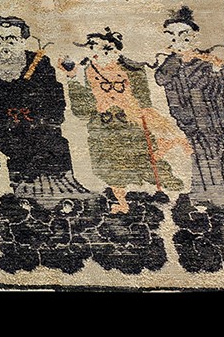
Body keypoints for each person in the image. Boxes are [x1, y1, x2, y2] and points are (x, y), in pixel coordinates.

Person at [64, 27, 185, 213]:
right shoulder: (85, 71)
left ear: (114, 49)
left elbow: (143, 100)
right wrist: (72, 78)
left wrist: (140, 113)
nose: (99, 53)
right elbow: (82, 110)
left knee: (145, 160)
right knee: (108, 166)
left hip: (131, 121)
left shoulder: (132, 70)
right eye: (93, 47)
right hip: (102, 125)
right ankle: (122, 202)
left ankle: (172, 197)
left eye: (105, 48)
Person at [0, 16, 88, 201]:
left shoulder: (40, 65)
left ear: (22, 41)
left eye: (11, 40)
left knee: (51, 174)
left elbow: (54, 98)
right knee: (21, 184)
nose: (4, 47)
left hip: (40, 133)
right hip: (12, 138)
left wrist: (44, 120)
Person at [154, 6, 224, 199]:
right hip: (191, 123)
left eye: (184, 36)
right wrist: (184, 119)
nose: (178, 42)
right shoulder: (171, 67)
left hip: (217, 120)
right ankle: (206, 195)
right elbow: (168, 89)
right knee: (200, 155)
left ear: (194, 36)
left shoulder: (211, 59)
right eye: (172, 37)